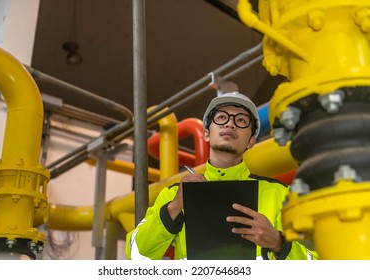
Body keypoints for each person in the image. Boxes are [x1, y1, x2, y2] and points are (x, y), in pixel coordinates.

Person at [125, 91, 318, 260]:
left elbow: (318, 265)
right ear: (207, 134)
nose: (230, 124)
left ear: (251, 141)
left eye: (241, 120)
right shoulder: (174, 195)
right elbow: (137, 255)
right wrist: (175, 207)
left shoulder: (280, 194)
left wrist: (279, 243)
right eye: (222, 117)